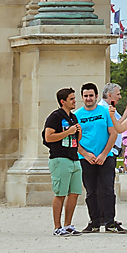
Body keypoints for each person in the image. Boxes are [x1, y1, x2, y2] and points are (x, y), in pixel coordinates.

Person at [74, 82, 127, 233]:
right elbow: (73, 139)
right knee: (91, 192)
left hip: (106, 157)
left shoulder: (105, 112)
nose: (88, 98)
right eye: (86, 96)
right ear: (82, 97)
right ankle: (94, 222)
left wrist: (104, 154)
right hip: (86, 158)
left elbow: (113, 133)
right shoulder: (77, 115)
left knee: (108, 190)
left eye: (91, 95)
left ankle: (110, 222)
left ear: (96, 96)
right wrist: (85, 154)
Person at [44, 86, 83, 237]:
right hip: (60, 158)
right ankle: (57, 226)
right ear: (63, 101)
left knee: (74, 193)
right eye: (71, 99)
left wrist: (78, 132)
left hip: (74, 157)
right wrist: (68, 132)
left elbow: (76, 139)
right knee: (60, 193)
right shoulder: (55, 117)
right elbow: (48, 137)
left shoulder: (73, 117)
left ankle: (68, 225)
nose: (74, 101)